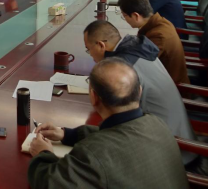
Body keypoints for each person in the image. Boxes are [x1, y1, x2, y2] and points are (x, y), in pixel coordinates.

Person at [28, 58, 188, 189]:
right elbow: (120, 135)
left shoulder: (93, 154)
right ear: (139, 92)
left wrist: (43, 153)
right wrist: (67, 134)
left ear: (93, 97)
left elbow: (48, 183)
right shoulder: (156, 122)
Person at [83, 20, 197, 166]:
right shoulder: (136, 47)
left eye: (88, 50)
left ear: (100, 45)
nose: (90, 55)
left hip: (171, 152)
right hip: (181, 134)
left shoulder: (122, 67)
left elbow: (113, 115)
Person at [118, 0, 189, 84]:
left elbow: (139, 64)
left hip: (171, 87)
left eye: (124, 16)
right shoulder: (160, 22)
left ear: (136, 15)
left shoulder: (158, 35)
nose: (125, 19)